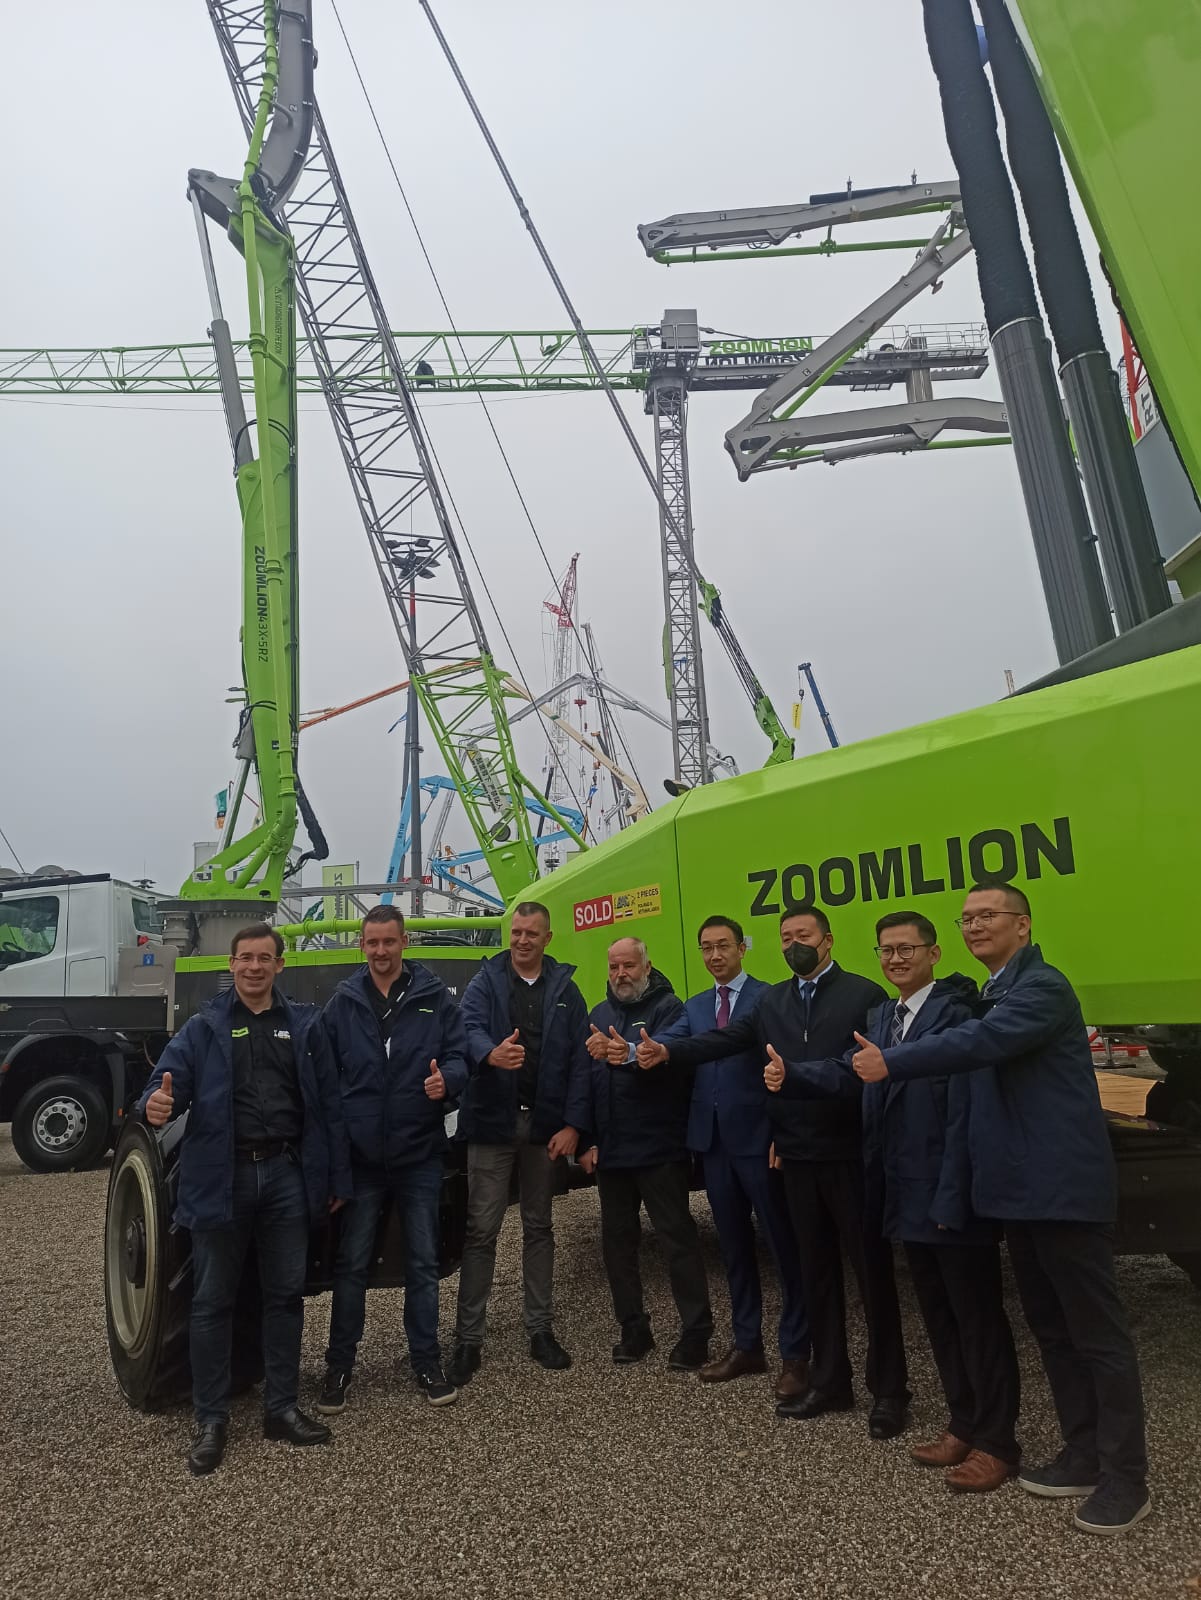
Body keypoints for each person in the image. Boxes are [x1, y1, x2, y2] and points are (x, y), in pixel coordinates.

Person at [853, 883, 1151, 1536]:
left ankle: (1126, 1476)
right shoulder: (994, 992)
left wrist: (891, 1062)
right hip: (1016, 1195)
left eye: (986, 915)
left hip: (1062, 1193)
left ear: (1022, 925)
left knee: (1097, 1339)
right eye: (965, 918)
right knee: (1051, 1330)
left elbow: (979, 1045)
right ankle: (1081, 1451)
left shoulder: (1039, 988)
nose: (973, 925)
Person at [640, 905, 910, 1438]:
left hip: (850, 1156)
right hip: (797, 1159)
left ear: (828, 941)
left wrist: (797, 1078)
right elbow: (723, 1041)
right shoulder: (774, 1002)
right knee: (817, 1276)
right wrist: (665, 1050)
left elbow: (869, 1074)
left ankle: (889, 1391)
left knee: (872, 1276)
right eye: (786, 937)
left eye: (803, 936)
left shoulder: (863, 996)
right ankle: (831, 1381)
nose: (794, 945)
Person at [139, 923, 352, 1477]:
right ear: (230, 966)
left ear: (281, 965)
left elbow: (329, 1106)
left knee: (285, 1297)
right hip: (221, 1178)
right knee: (213, 1301)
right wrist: (153, 1107)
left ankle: (281, 1409)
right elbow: (163, 1086)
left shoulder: (305, 1024)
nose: (254, 967)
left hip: (285, 1175)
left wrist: (333, 1179)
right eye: (245, 959)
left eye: (265, 958)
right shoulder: (203, 1028)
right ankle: (211, 1420)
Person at [859, 911, 1020, 1492]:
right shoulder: (883, 1017)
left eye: (907, 949)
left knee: (978, 1320)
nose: (896, 959)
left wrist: (955, 1199)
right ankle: (963, 1422)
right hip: (905, 1197)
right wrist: (794, 1075)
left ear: (934, 954)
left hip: (949, 1199)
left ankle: (998, 1443)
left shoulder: (956, 1015)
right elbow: (858, 1080)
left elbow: (964, 1122)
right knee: (939, 1317)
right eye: (886, 950)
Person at [317, 905, 469, 1412]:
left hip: (419, 1153)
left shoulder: (434, 999)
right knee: (352, 1264)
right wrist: (336, 1163)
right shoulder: (343, 1003)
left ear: (405, 943)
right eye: (372, 943)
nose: (381, 952)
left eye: (389, 942)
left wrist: (447, 1080)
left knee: (422, 1264)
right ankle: (339, 1365)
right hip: (362, 1162)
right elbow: (326, 1081)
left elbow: (460, 1056)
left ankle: (426, 1359)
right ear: (362, 946)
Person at [657, 915, 810, 1399]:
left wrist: (780, 1133)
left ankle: (796, 1353)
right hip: (715, 1144)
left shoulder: (769, 998)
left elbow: (783, 1068)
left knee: (784, 1250)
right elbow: (672, 1045)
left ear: (743, 947)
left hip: (759, 1140)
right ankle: (747, 1345)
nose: (715, 955)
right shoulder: (696, 1005)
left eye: (723, 946)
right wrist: (634, 1052)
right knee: (734, 1251)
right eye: (706, 947)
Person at [447, 901, 591, 1386]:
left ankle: (540, 1330)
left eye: (532, 933)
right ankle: (468, 1339)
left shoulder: (567, 991)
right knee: (481, 1231)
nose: (523, 940)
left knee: (539, 1226)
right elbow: (463, 1031)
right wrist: (489, 1053)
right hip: (491, 1123)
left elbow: (579, 1065)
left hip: (544, 1128)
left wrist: (573, 1125)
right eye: (517, 931)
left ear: (548, 938)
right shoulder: (484, 983)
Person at [579, 936, 714, 1369]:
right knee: (617, 1247)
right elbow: (585, 1084)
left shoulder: (670, 1008)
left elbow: (667, 1051)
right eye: (614, 966)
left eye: (629, 966)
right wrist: (586, 1140)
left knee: (678, 1243)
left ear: (647, 967)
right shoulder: (598, 1015)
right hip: (613, 1155)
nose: (621, 974)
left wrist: (630, 1053)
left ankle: (696, 1334)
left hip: (660, 1150)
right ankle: (633, 1328)